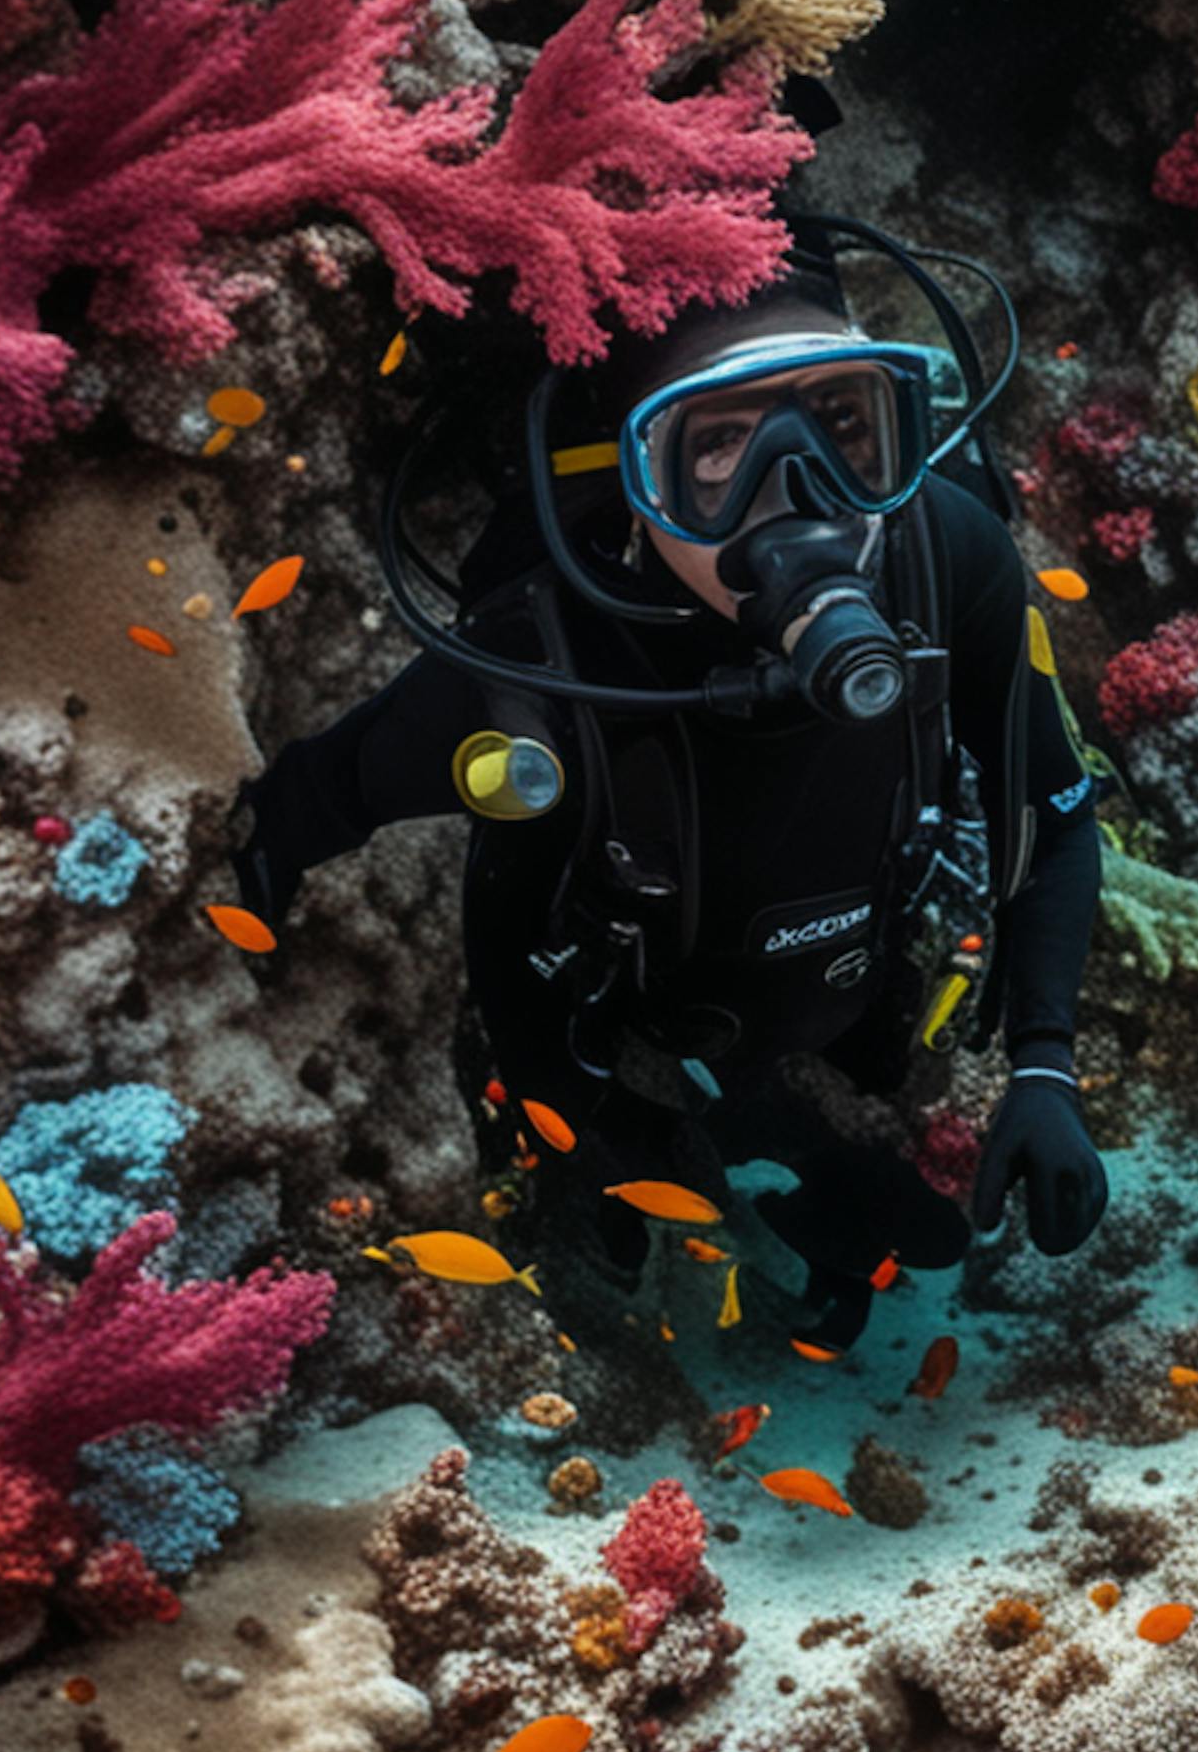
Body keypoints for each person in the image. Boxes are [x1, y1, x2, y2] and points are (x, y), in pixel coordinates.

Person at [229, 218, 1108, 1356]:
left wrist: (1043, 1060)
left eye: (845, 427)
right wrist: (223, 941)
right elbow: (314, 802)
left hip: (853, 969)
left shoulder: (950, 553)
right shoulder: (542, 653)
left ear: (902, 430)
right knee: (611, 1250)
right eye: (720, 451)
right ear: (639, 485)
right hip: (607, 1017)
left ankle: (790, 1187)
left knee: (895, 1189)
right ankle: (616, 1172)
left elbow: (1055, 807)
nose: (799, 496)